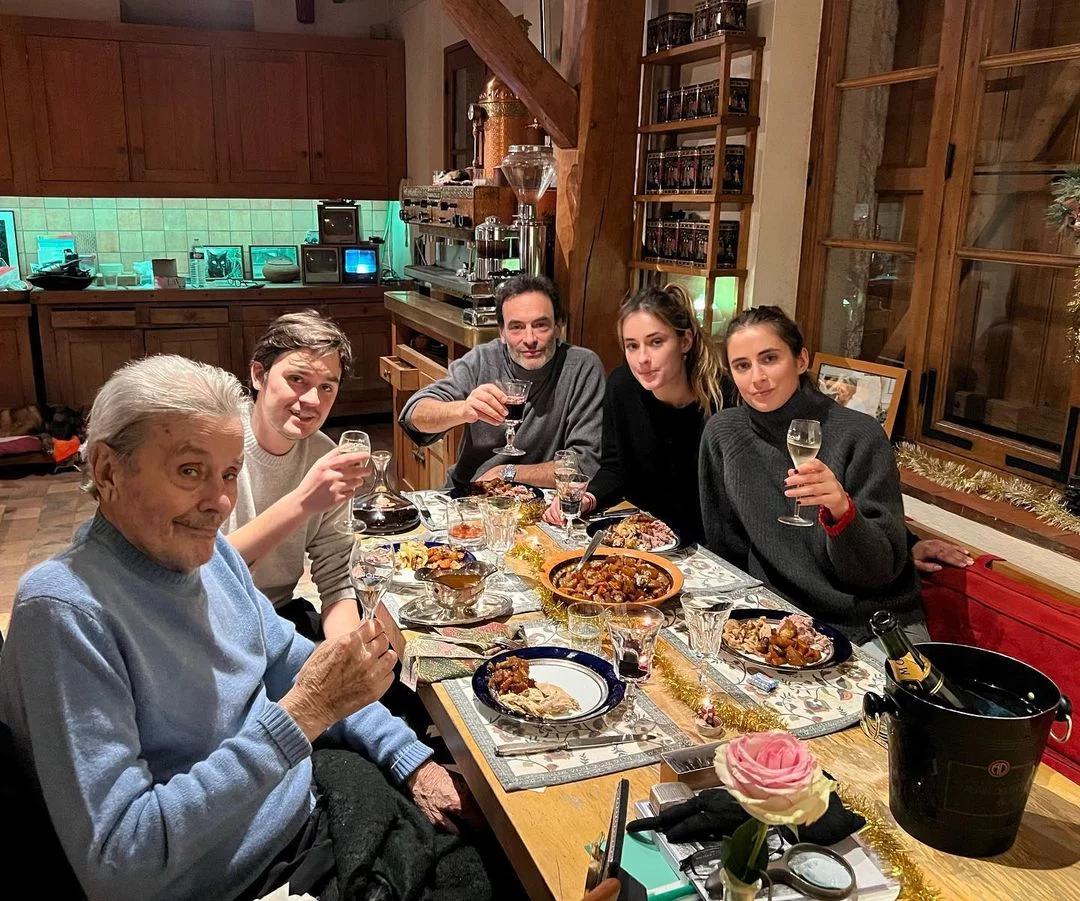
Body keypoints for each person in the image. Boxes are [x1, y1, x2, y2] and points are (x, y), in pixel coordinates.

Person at [0, 355, 481, 901]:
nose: (219, 503)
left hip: (312, 804)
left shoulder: (212, 559)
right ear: (108, 470)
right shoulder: (65, 612)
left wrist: (411, 760)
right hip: (247, 878)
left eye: (229, 474)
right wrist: (302, 715)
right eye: (190, 471)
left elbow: (300, 665)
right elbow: (122, 864)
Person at [699, 306, 923, 647]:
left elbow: (879, 572)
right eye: (742, 366)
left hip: (871, 620)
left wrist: (842, 511)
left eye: (770, 359)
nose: (757, 377)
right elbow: (726, 548)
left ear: (801, 360)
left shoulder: (859, 435)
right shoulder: (723, 433)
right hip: (777, 614)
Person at [221, 310, 375, 643]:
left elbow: (336, 576)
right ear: (259, 375)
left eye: (326, 387)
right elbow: (202, 569)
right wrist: (303, 501)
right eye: (297, 379)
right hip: (208, 620)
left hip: (276, 616)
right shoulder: (216, 442)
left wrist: (345, 653)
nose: (311, 400)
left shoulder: (323, 455)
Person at [543, 284, 724, 544]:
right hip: (642, 535)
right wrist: (587, 497)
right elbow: (615, 467)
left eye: (656, 342)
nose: (642, 359)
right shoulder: (622, 386)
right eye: (632, 346)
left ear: (685, 341)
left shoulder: (723, 399)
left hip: (707, 544)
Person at [400, 274, 605, 488]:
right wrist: (463, 409)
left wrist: (508, 473)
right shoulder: (482, 360)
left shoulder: (582, 367)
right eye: (516, 327)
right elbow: (413, 416)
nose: (529, 339)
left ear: (558, 326)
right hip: (471, 494)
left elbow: (585, 464)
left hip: (544, 501)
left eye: (540, 325)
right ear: (502, 333)